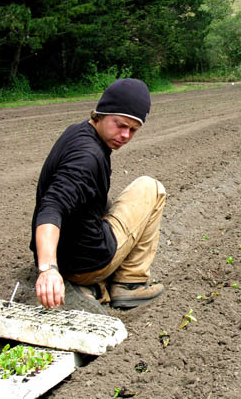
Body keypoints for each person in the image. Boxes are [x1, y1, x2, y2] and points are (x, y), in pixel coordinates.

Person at [30, 78, 166, 315]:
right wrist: (49, 269)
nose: (125, 135)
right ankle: (128, 283)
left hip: (67, 254)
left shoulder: (78, 132)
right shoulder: (87, 157)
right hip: (84, 264)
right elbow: (52, 206)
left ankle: (86, 283)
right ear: (102, 113)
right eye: (120, 125)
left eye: (133, 130)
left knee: (107, 203)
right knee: (151, 188)